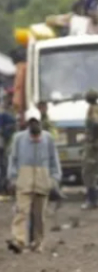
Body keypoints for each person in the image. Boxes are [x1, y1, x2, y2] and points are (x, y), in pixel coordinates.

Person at [6, 108, 62, 254]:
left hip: (42, 181)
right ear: (28, 124)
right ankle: (19, 241)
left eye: (36, 122)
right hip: (24, 180)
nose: (34, 125)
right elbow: (13, 159)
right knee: (21, 212)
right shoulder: (19, 138)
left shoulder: (48, 139)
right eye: (31, 122)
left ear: (40, 123)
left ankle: (38, 243)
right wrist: (12, 177)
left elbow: (53, 160)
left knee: (39, 216)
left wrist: (54, 179)